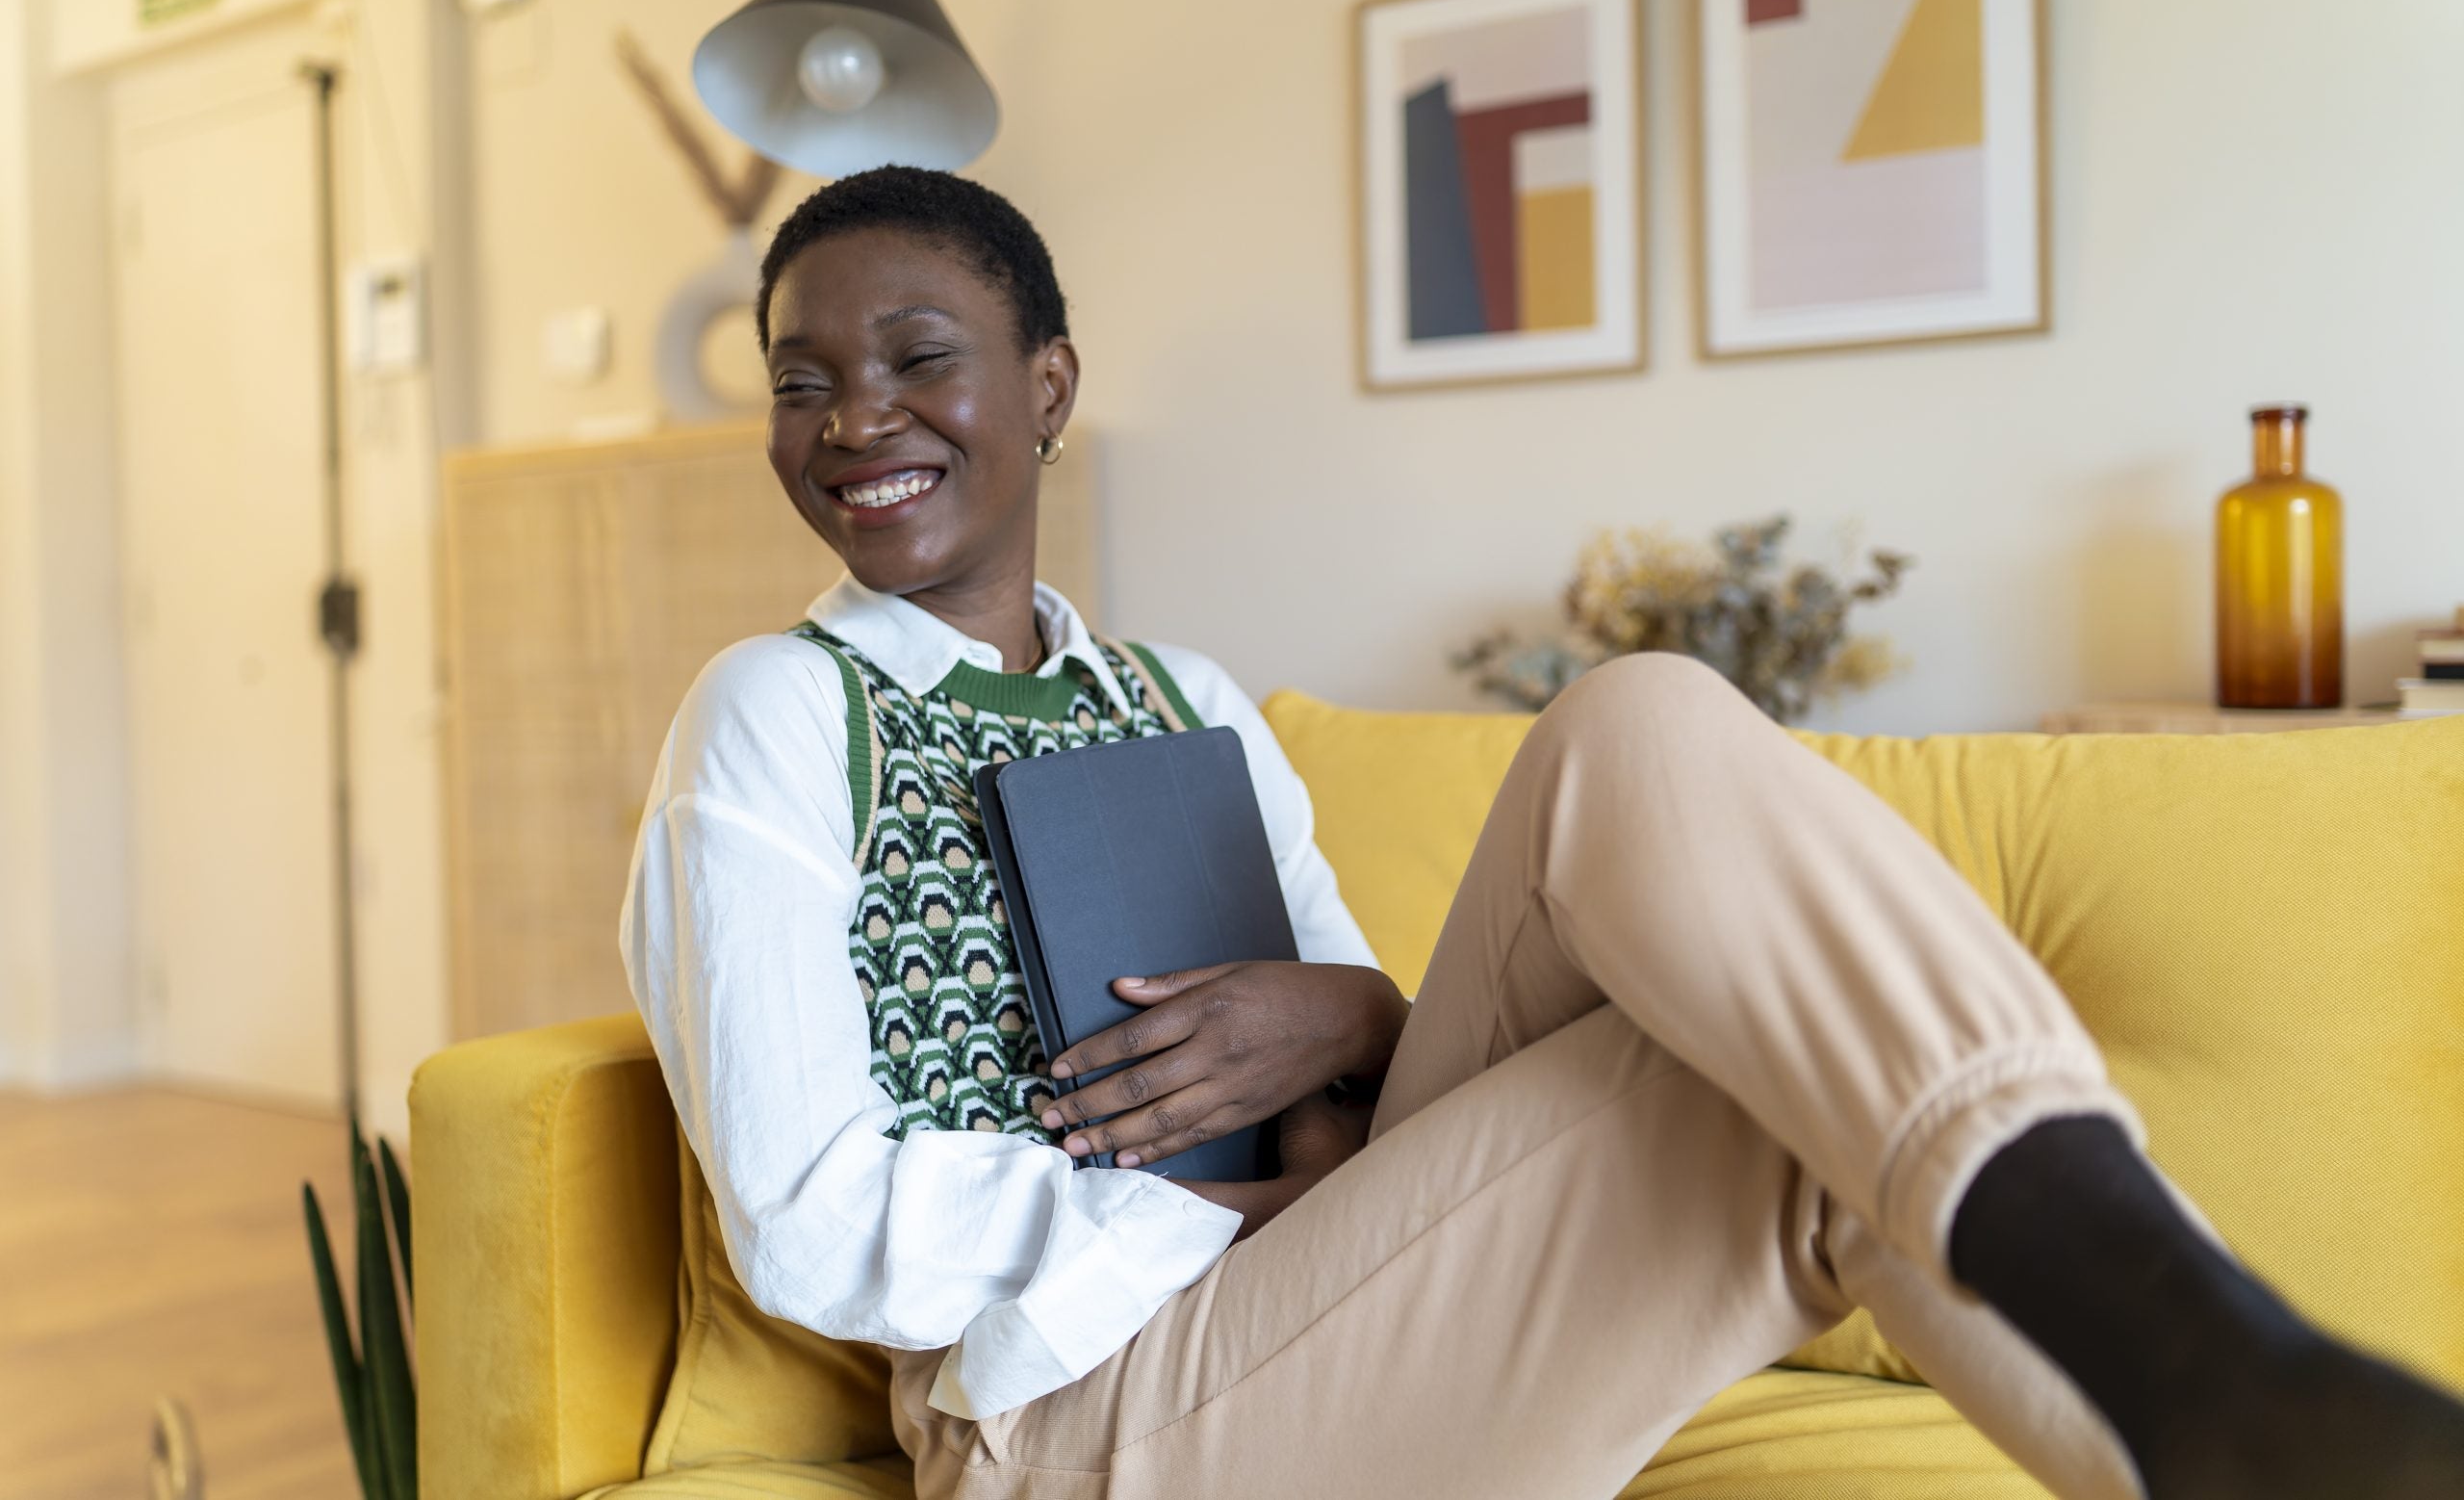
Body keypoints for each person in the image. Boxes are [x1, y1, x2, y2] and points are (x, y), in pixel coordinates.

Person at [621, 166, 2464, 1500]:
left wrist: (1349, 1024)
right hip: (1070, 1412)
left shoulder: (1190, 697)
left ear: (1049, 388)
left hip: (1319, 1288)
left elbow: (1380, 1073)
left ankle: (2222, 1378)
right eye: (802, 377)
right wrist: (1186, 1215)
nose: (855, 414)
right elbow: (801, 1221)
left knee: (1640, 724)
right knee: (1778, 1113)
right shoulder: (778, 712)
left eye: (916, 355)